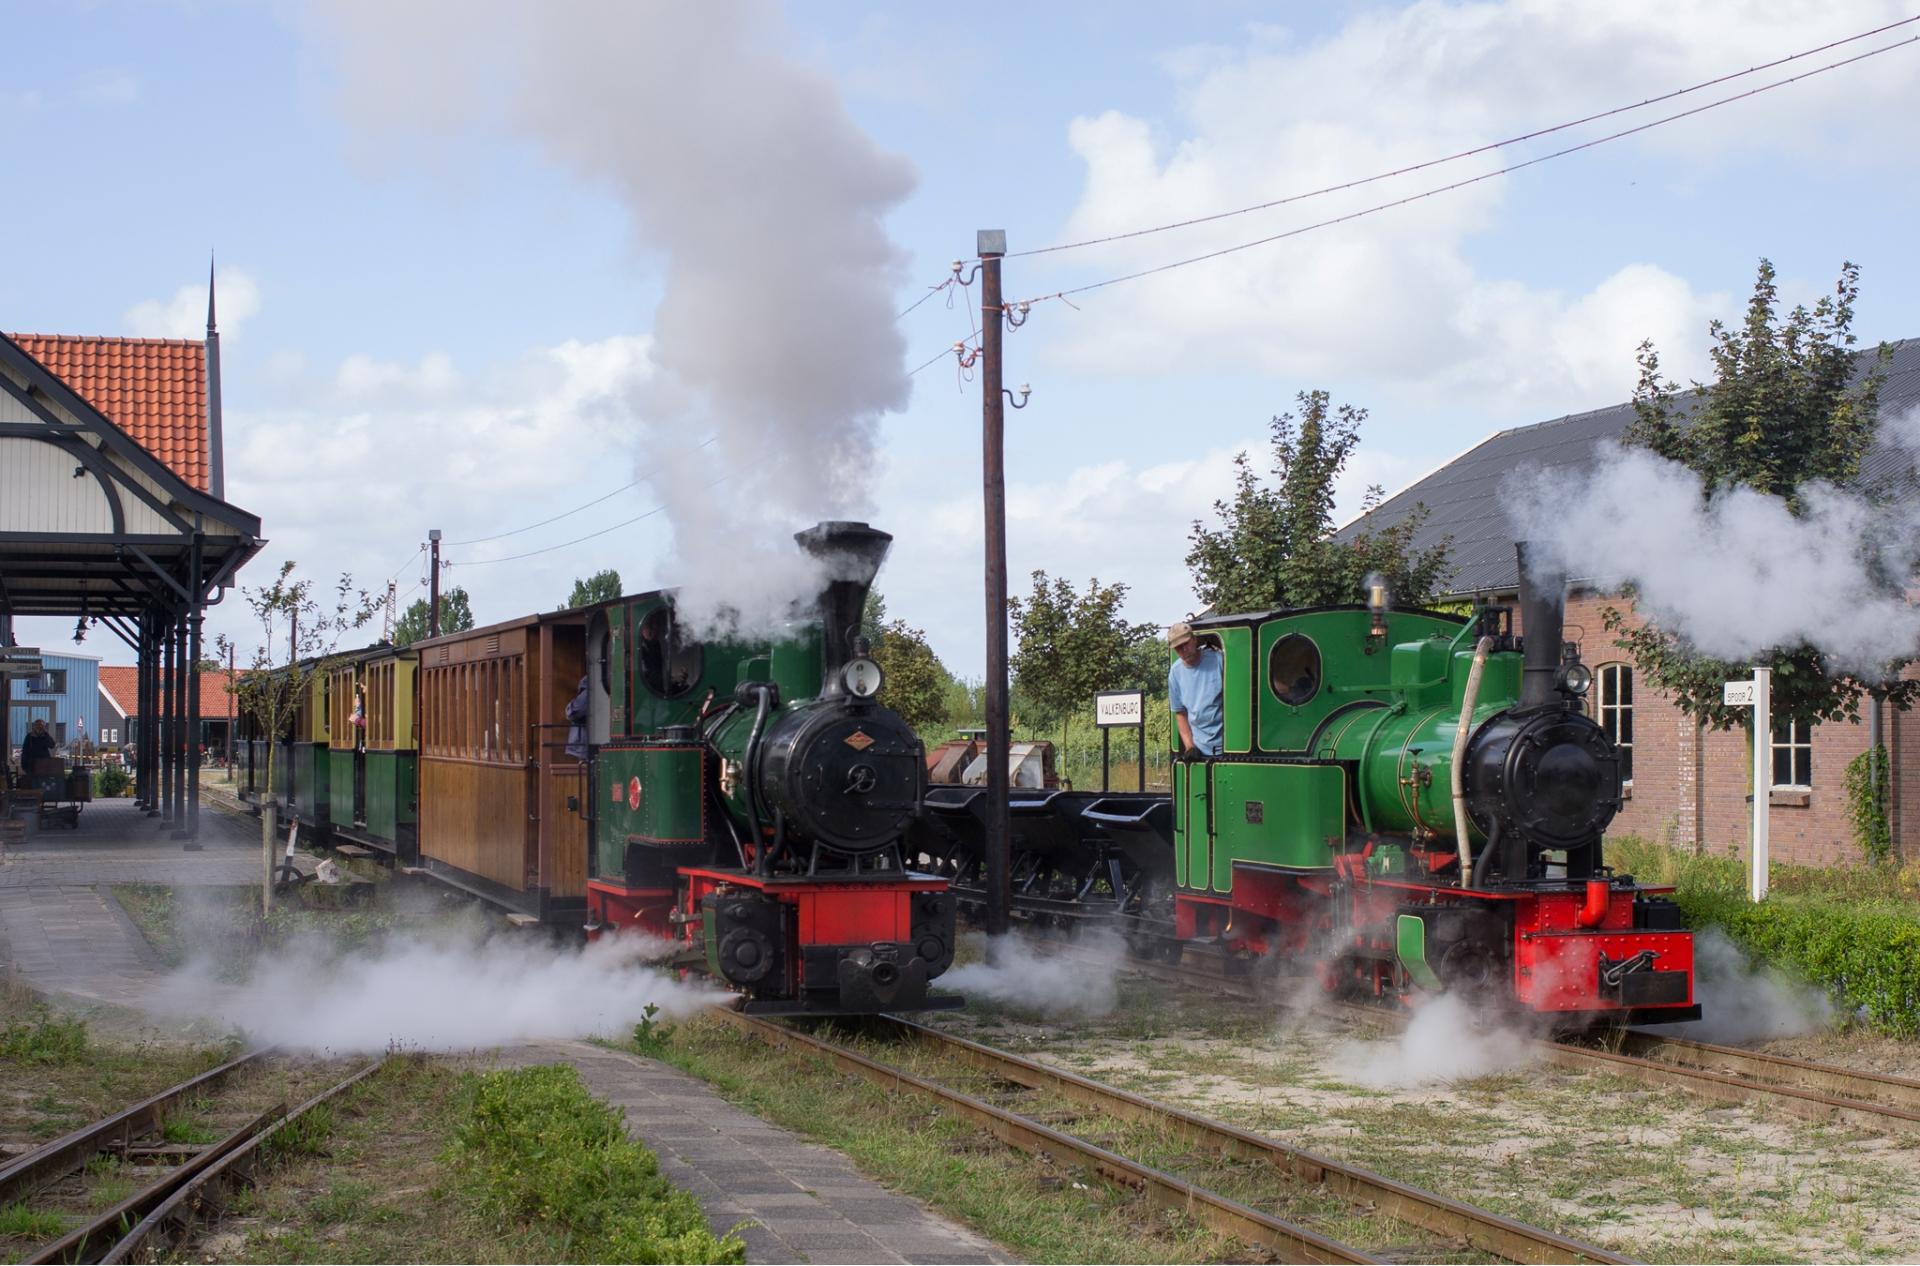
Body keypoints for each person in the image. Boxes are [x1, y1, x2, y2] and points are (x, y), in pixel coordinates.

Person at [1166, 622, 1224, 760]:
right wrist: (1189, 746)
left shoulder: (1218, 660)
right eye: (1178, 648)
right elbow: (1180, 713)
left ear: (1194, 639)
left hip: (1227, 745)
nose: (1183, 650)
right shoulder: (1175, 673)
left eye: (1185, 644)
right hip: (1200, 750)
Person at [564, 675, 590, 760]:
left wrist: (569, 705)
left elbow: (573, 713)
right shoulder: (588, 693)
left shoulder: (586, 694)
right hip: (583, 741)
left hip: (582, 741)